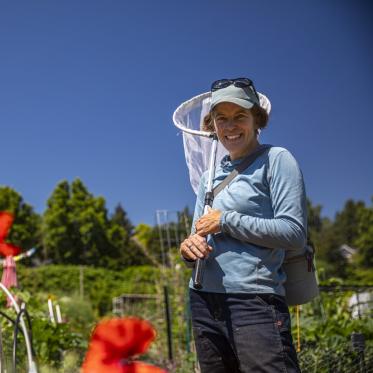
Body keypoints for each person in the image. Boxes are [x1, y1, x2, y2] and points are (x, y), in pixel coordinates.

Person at [180, 78, 306, 372]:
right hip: (203, 300)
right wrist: (188, 248)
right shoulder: (209, 178)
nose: (230, 126)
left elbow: (293, 233)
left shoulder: (277, 160)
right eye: (221, 118)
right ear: (212, 126)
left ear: (256, 119)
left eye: (240, 116)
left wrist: (226, 220)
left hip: (254, 302)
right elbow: (196, 235)